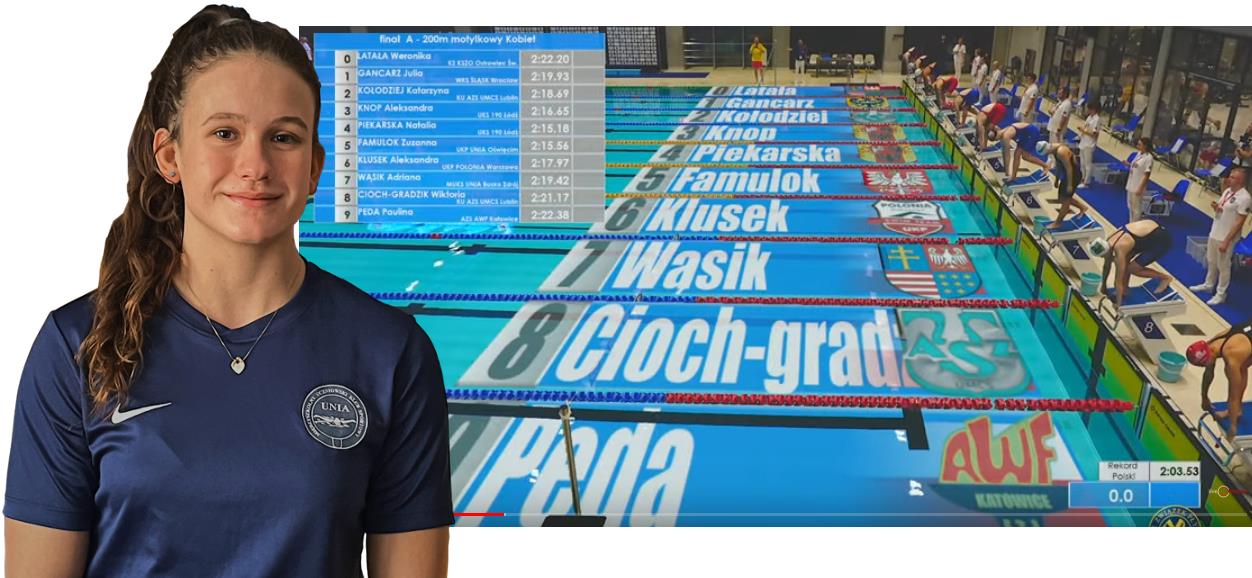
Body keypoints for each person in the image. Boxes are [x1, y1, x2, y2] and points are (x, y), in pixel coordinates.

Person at [3, 6, 453, 576]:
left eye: (283, 137)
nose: (255, 164)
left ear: (315, 167)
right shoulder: (77, 346)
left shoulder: (390, 352)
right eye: (225, 133)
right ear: (170, 156)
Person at [1189, 167, 1251, 305]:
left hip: (1226, 237)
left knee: (1223, 266)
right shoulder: (1228, 191)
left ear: (1240, 180)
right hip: (1215, 231)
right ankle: (1208, 284)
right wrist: (1217, 208)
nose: (1229, 178)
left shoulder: (1245, 198)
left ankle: (1221, 294)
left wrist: (1226, 241)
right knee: (1211, 260)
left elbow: (1239, 222)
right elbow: (1224, 210)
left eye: (1233, 177)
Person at [1090, 219, 1175, 308]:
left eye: (1102, 256)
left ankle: (1165, 278)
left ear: (1106, 252)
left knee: (1132, 268)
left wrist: (1119, 304)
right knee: (1125, 261)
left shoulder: (1120, 249)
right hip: (1146, 234)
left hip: (1160, 240)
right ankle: (1125, 289)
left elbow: (1118, 281)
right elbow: (1106, 266)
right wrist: (1103, 286)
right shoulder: (1108, 241)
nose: (1103, 258)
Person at [1188, 321, 1252, 440]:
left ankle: (1236, 411)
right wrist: (1204, 397)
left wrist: (1233, 427)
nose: (1205, 367)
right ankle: (1237, 410)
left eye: (1203, 365)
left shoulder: (1232, 358)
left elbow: (1233, 396)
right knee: (1243, 366)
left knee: (1236, 373)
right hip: (1246, 337)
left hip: (1241, 345)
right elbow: (1208, 374)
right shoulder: (1211, 345)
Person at [1037, 141, 1090, 230]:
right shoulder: (1054, 149)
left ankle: (1058, 223)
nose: (1046, 155)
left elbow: (1069, 169)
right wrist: (1057, 179)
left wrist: (1070, 185)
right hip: (1068, 175)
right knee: (1061, 198)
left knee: (1065, 201)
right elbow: (1058, 165)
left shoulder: (1061, 151)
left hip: (1073, 176)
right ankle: (1082, 207)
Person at [1126, 137, 1155, 222]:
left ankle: (1136, 225)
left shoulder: (1149, 158)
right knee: (1130, 205)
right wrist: (1128, 164)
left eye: (1139, 144)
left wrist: (1140, 188)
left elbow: (1147, 175)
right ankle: (1131, 223)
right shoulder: (1139, 153)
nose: (1137, 146)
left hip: (1138, 185)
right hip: (1131, 183)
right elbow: (1136, 165)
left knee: (1136, 208)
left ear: (1145, 146)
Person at [1076, 100, 1101, 188]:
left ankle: (1086, 182)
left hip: (1089, 144)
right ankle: (1082, 178)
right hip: (1083, 142)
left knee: (1087, 164)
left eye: (1089, 109)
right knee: (1082, 163)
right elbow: (1085, 127)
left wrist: (1084, 130)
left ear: (1093, 109)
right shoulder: (1089, 117)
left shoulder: (1097, 119)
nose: (1087, 110)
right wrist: (1080, 134)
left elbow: (1095, 134)